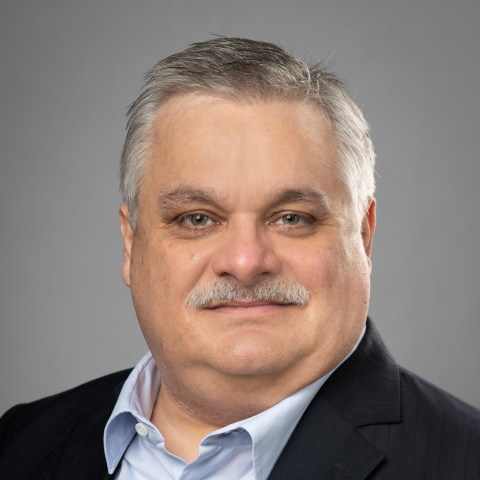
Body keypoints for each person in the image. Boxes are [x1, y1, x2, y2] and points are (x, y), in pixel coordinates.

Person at [1, 36, 479, 480]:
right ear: (131, 243)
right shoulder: (21, 442)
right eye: (197, 219)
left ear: (364, 235)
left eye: (291, 218)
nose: (246, 262)